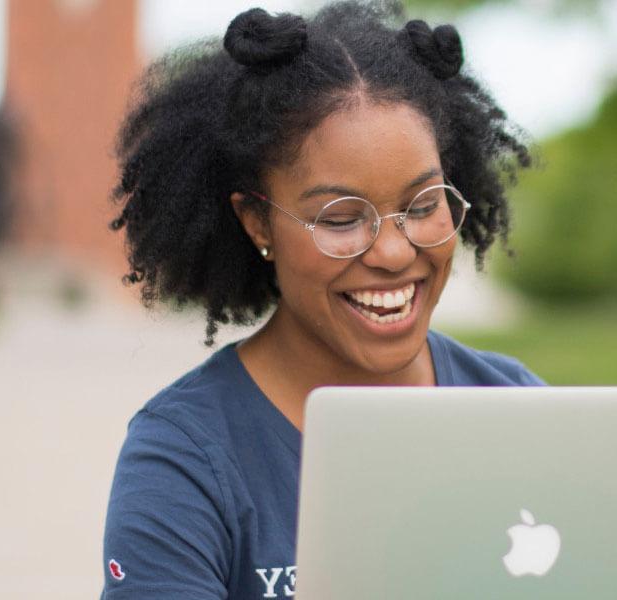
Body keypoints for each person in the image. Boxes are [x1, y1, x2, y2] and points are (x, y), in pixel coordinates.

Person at [99, 4, 541, 598]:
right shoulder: (184, 460)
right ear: (257, 223)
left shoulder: (520, 408)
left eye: (422, 205)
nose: (391, 251)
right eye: (340, 217)